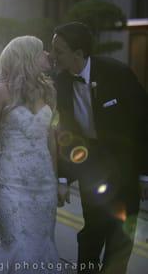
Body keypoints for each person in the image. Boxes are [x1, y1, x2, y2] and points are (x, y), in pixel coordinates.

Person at [0, 35, 66, 274]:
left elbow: (51, 138)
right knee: (17, 247)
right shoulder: (0, 91)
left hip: (44, 186)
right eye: (41, 51)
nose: (47, 54)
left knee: (41, 247)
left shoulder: (49, 91)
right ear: (27, 57)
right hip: (11, 185)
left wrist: (57, 181)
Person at [51, 22, 148, 274]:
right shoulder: (60, 82)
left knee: (121, 238)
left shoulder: (117, 73)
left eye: (59, 51)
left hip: (126, 169)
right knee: (92, 233)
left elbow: (143, 124)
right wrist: (62, 178)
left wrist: (145, 174)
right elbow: (64, 134)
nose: (53, 56)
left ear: (79, 54)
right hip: (91, 168)